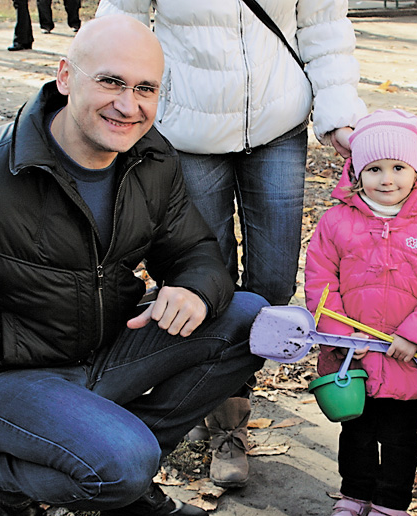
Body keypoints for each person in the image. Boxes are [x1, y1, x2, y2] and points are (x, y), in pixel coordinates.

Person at [0, 15, 267, 516]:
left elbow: (194, 250)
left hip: (105, 352)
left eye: (145, 89)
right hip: (6, 377)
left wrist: (192, 286)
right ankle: (5, 478)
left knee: (249, 317)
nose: (128, 104)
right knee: (125, 461)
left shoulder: (151, 157)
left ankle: (109, 466)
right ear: (66, 76)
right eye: (111, 82)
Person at [95, 0, 367, 488]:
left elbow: (324, 25)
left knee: (272, 285)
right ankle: (227, 420)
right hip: (187, 126)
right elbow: (119, 21)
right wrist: (118, 113)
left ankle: (222, 384)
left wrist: (340, 111)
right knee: (206, 281)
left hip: (278, 118)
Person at [304, 110, 417, 516]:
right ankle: (354, 495)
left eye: (398, 168)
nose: (387, 179)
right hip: (350, 355)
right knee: (354, 429)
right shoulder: (335, 223)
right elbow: (321, 280)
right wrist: (338, 335)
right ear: (356, 172)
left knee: (397, 436)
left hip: (406, 358)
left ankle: (391, 504)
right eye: (374, 169)